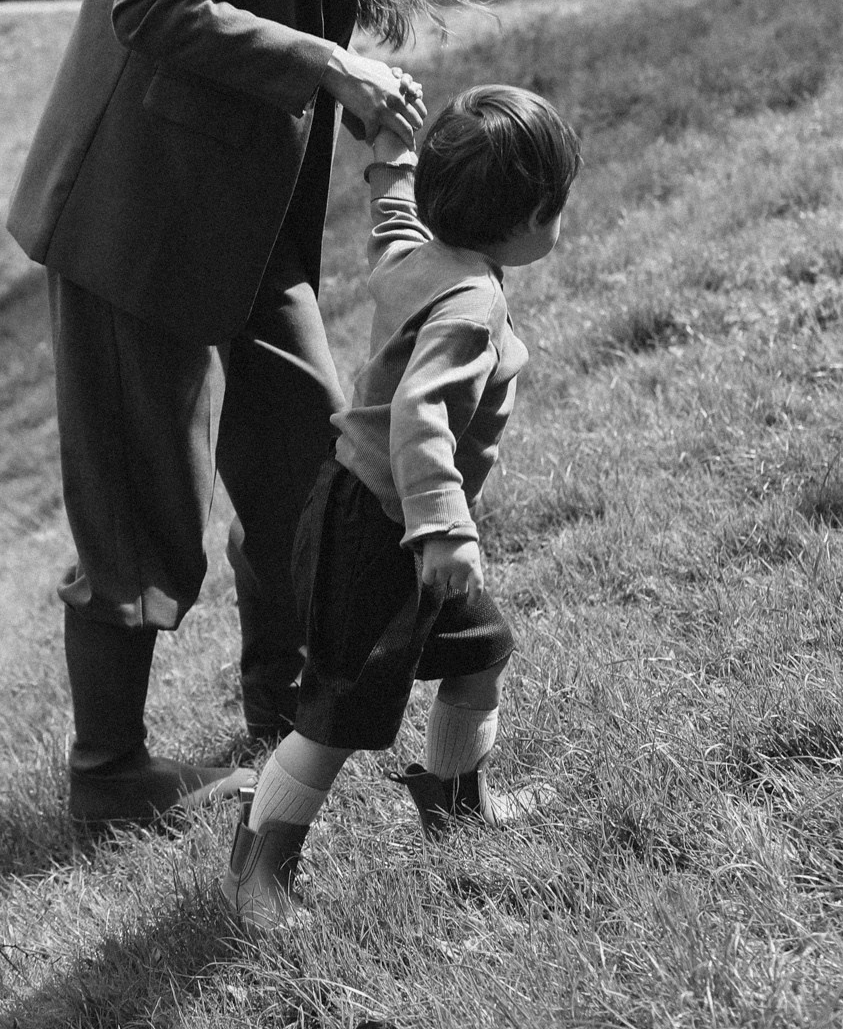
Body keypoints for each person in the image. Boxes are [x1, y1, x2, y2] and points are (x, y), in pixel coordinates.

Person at [6, 0, 567, 829]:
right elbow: (146, 7)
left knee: (315, 463)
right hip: (131, 215)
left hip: (255, 229)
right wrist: (328, 64)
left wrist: (353, 96)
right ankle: (108, 775)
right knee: (143, 506)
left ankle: (279, 705)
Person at [225, 84, 579, 928]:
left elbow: (391, 218)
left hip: (376, 515)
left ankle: (455, 806)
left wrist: (389, 153)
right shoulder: (471, 302)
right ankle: (256, 871)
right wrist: (445, 529)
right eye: (559, 202)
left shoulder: (421, 255)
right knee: (338, 713)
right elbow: (422, 411)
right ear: (530, 214)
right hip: (383, 531)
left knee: (480, 651)